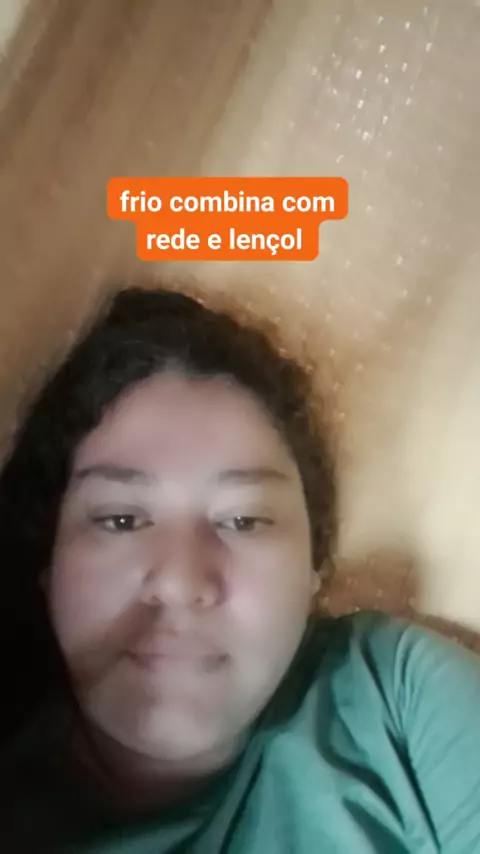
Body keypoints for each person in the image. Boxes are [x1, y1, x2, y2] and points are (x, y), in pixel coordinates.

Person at [0, 285, 479, 854]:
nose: (181, 583)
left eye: (245, 520)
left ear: (314, 569)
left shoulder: (397, 696)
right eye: (121, 520)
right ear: (48, 563)